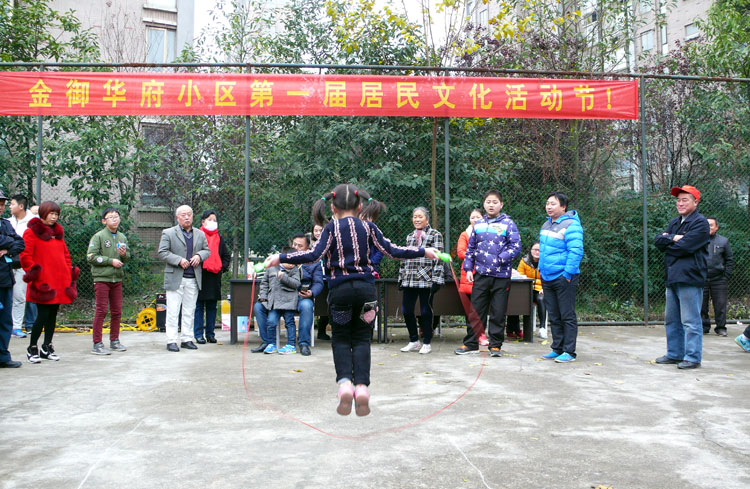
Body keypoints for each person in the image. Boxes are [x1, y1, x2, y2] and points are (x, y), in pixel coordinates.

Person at [265, 184, 438, 417]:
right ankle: (362, 387)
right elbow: (392, 250)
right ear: (360, 207)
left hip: (340, 292)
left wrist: (281, 257)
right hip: (367, 292)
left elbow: (313, 255)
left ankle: (345, 383)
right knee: (362, 339)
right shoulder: (369, 227)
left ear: (333, 208)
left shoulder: (330, 228)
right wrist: (423, 251)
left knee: (341, 338)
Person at [455, 190, 521, 358]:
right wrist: (468, 269)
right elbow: (470, 249)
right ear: (484, 204)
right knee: (476, 310)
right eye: (488, 202)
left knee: (498, 311)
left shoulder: (508, 224)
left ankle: (495, 345)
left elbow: (515, 247)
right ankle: (471, 343)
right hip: (480, 274)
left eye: (495, 202)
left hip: (501, 276)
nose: (491, 205)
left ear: (501, 205)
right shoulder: (478, 225)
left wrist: (499, 259)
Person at [654, 185, 710, 370]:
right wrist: (674, 237)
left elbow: (684, 247)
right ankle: (674, 354)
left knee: (690, 321)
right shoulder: (675, 222)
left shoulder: (700, 223)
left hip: (690, 278)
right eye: (678, 200)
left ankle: (692, 357)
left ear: (696, 202)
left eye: (685, 200)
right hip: (672, 277)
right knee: (671, 320)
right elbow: (658, 241)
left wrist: (669, 239)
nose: (680, 203)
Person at [20, 201, 79, 363]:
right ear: (43, 214)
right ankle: (32, 348)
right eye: (51, 214)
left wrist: (68, 272)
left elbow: (65, 255)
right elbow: (25, 256)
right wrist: (34, 273)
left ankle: (46, 347)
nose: (54, 217)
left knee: (53, 315)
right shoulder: (31, 232)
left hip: (58, 280)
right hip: (43, 281)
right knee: (42, 315)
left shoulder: (58, 233)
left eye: (56, 214)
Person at [538, 191, 584, 363]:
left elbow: (576, 251)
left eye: (553, 204)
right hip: (547, 277)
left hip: (564, 277)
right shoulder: (546, 225)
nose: (549, 207)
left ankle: (569, 351)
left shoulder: (572, 225)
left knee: (567, 314)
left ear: (563, 207)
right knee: (554, 315)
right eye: (547, 203)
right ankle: (557, 348)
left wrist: (567, 274)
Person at [158, 205, 210, 352]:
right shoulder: (168, 233)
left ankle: (187, 338)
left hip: (193, 278)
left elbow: (207, 250)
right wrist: (179, 260)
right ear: (177, 217)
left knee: (189, 310)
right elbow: (162, 252)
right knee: (173, 311)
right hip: (175, 277)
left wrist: (199, 256)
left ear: (193, 216)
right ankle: (171, 340)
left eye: (189, 214)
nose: (187, 217)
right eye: (183, 215)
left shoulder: (200, 234)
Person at [398, 207, 444, 355]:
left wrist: (437, 279)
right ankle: (413, 340)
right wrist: (401, 277)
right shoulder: (410, 236)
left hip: (426, 278)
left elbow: (439, 258)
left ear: (427, 219)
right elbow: (404, 256)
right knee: (406, 310)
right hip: (409, 278)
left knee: (425, 311)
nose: (417, 219)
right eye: (415, 217)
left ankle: (427, 343)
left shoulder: (435, 235)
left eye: (420, 217)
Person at [86, 207, 129, 355]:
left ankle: (114, 340)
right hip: (102, 278)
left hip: (117, 278)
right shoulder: (98, 236)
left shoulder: (122, 237)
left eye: (116, 217)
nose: (114, 220)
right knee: (101, 310)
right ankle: (97, 343)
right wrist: (110, 261)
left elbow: (127, 257)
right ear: (104, 221)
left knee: (117, 311)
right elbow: (91, 257)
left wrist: (124, 255)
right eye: (111, 217)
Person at [254, 246, 303, 355]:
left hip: (289, 302)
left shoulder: (294, 270)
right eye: (289, 261)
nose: (291, 264)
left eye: (294, 262)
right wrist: (263, 296)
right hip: (274, 302)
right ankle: (271, 344)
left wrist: (283, 277)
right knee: (271, 322)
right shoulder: (271, 268)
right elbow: (264, 284)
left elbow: (296, 284)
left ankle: (291, 345)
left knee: (289, 322)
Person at [194, 210, 231, 344]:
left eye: (215, 220)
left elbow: (226, 256)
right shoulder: (197, 235)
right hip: (200, 275)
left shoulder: (219, 238)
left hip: (214, 276)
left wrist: (221, 268)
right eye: (210, 219)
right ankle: (198, 334)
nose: (213, 222)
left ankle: (210, 334)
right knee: (199, 306)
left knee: (212, 306)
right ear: (203, 221)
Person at [0, 191, 25, 368]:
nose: (1, 207)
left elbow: (20, 243)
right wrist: (8, 240)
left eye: (2, 204)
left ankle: (3, 356)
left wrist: (7, 250)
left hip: (5, 279)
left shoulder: (6, 224)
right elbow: (11, 240)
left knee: (5, 320)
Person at [6, 194, 36, 338]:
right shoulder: (7, 222)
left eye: (12, 204)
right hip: (6, 264)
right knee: (6, 296)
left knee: (19, 295)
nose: (9, 207)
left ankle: (16, 327)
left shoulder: (33, 222)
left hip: (23, 265)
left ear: (21, 206)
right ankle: (7, 326)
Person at [701, 217, 734, 337]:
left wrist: (725, 276)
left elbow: (729, 260)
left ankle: (720, 328)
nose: (708, 227)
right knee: (701, 305)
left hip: (719, 279)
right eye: (706, 225)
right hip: (701, 278)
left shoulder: (723, 241)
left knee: (720, 305)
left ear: (716, 227)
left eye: (711, 225)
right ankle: (704, 327)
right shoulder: (698, 240)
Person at [456, 209, 485, 344]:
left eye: (477, 217)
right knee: (471, 307)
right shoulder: (465, 234)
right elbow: (461, 252)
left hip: (484, 273)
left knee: (482, 306)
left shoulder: (488, 233)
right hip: (468, 274)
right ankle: (472, 336)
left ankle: (481, 335)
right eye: (472, 217)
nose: (475, 220)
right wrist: (479, 256)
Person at [291, 233, 323, 356]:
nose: (296, 248)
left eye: (300, 246)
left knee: (307, 306)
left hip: (303, 296)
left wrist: (311, 292)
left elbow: (318, 283)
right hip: (285, 296)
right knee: (259, 307)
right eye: (294, 245)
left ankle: (303, 343)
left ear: (307, 248)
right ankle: (269, 342)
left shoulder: (314, 263)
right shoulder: (285, 258)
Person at [507, 242, 547, 339]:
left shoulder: (546, 262)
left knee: (541, 299)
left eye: (540, 250)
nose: (537, 252)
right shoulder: (524, 261)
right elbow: (519, 276)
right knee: (515, 299)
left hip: (540, 289)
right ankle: (513, 329)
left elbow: (549, 278)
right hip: (526, 289)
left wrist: (544, 288)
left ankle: (542, 328)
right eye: (535, 250)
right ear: (531, 250)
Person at [311, 223, 331, 341]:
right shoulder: (310, 246)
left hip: (328, 278)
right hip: (315, 279)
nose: (318, 233)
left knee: (327, 304)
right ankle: (319, 330)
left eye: (320, 230)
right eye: (316, 230)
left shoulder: (330, 244)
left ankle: (322, 330)